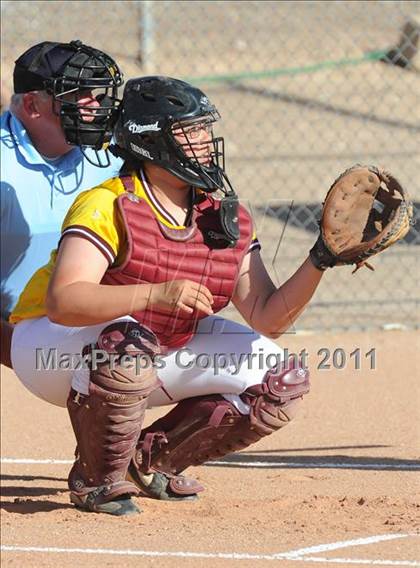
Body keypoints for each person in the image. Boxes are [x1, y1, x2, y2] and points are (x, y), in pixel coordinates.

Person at [9, 76, 330, 517]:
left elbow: (268, 318)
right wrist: (155, 294)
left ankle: (153, 459)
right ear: (150, 140)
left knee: (281, 380)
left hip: (150, 344)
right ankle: (96, 478)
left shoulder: (220, 214)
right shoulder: (108, 203)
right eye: (190, 130)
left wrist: (321, 258)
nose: (204, 141)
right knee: (128, 341)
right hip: (50, 346)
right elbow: (64, 302)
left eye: (204, 129)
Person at [0, 40, 124, 367]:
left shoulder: (113, 155)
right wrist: (20, 353)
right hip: (13, 338)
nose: (95, 108)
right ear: (32, 106)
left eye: (96, 96)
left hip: (88, 328)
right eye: (76, 98)